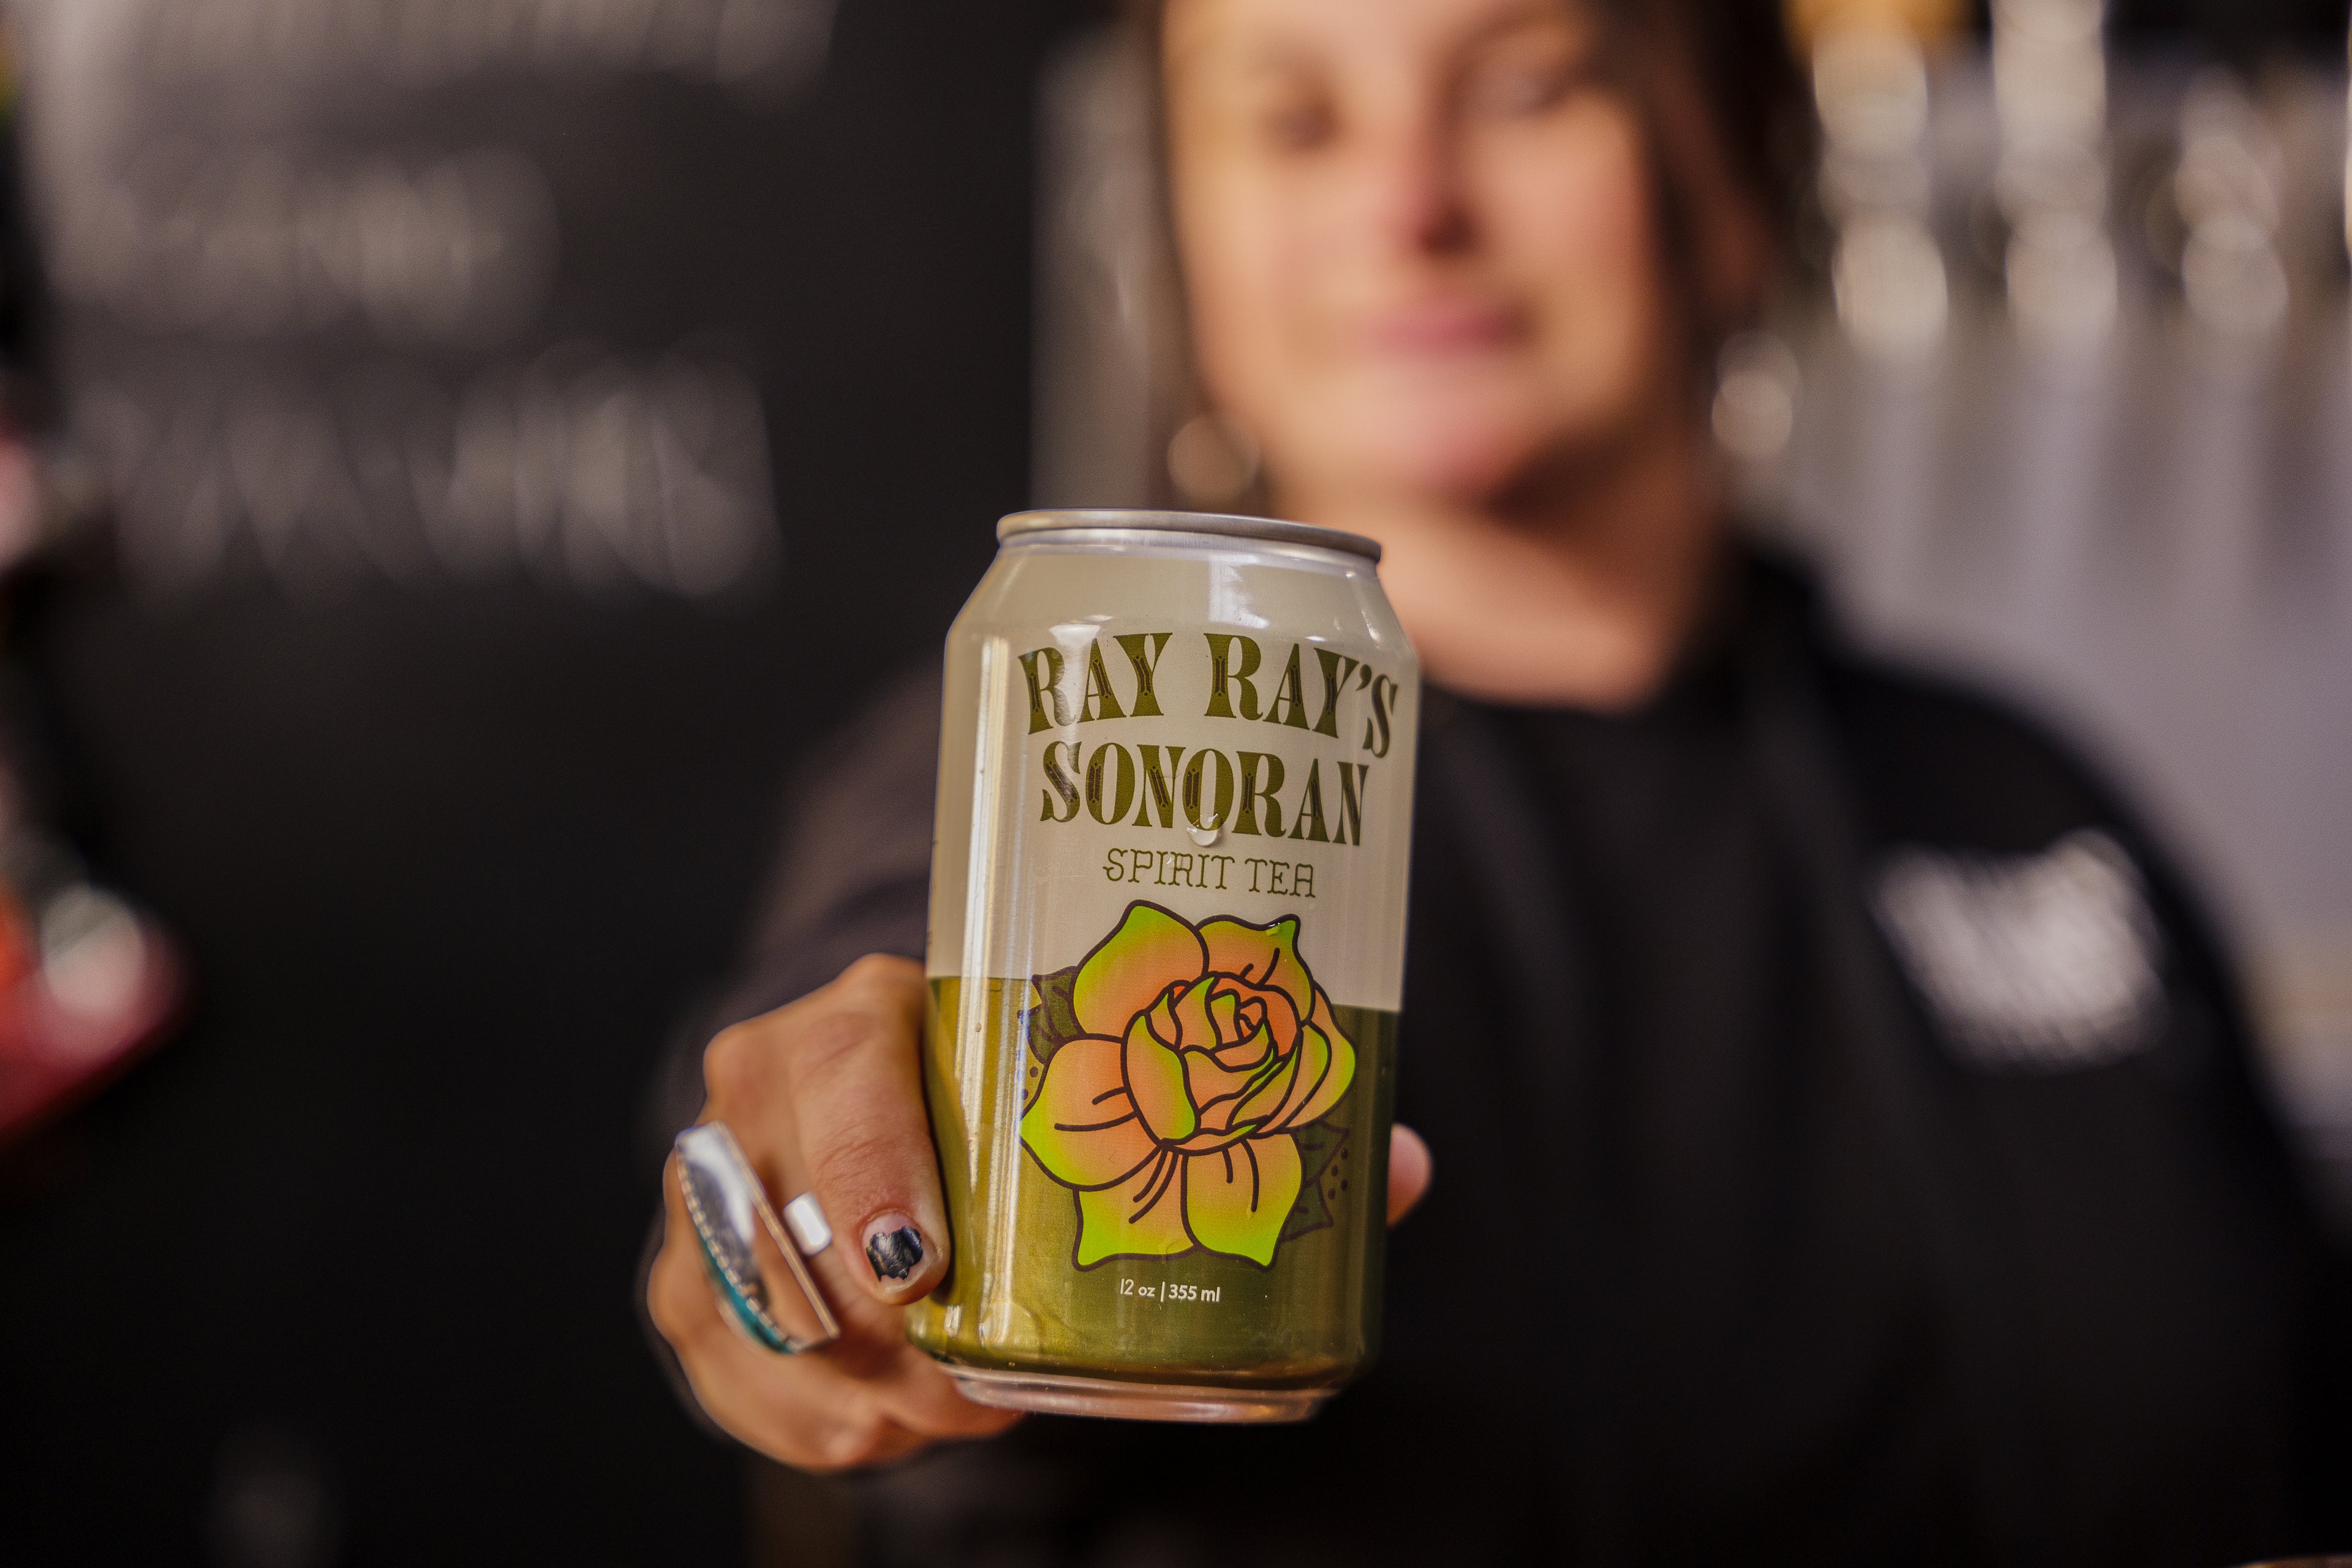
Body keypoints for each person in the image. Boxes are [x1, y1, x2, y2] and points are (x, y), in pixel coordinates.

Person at [646, 0, 2351, 1561]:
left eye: (1529, 87)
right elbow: (872, 1000)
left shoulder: (2015, 788)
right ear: (1189, 245)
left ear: (1737, 168)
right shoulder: (1056, 753)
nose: (1409, 204)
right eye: (1295, 122)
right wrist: (825, 1232)